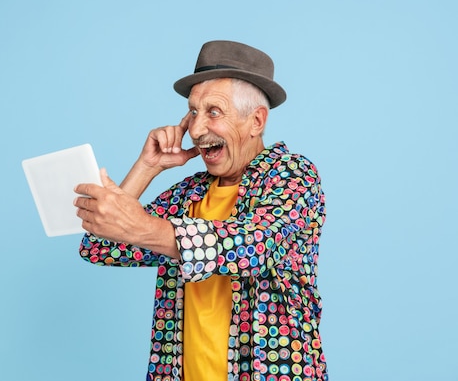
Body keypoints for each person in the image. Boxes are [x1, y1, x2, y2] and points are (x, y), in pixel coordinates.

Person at [74, 40, 328, 381]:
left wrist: (145, 228)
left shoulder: (292, 176)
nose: (194, 129)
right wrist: (147, 167)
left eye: (213, 111)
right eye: (193, 112)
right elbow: (99, 245)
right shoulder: (190, 194)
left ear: (256, 121)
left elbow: (251, 246)